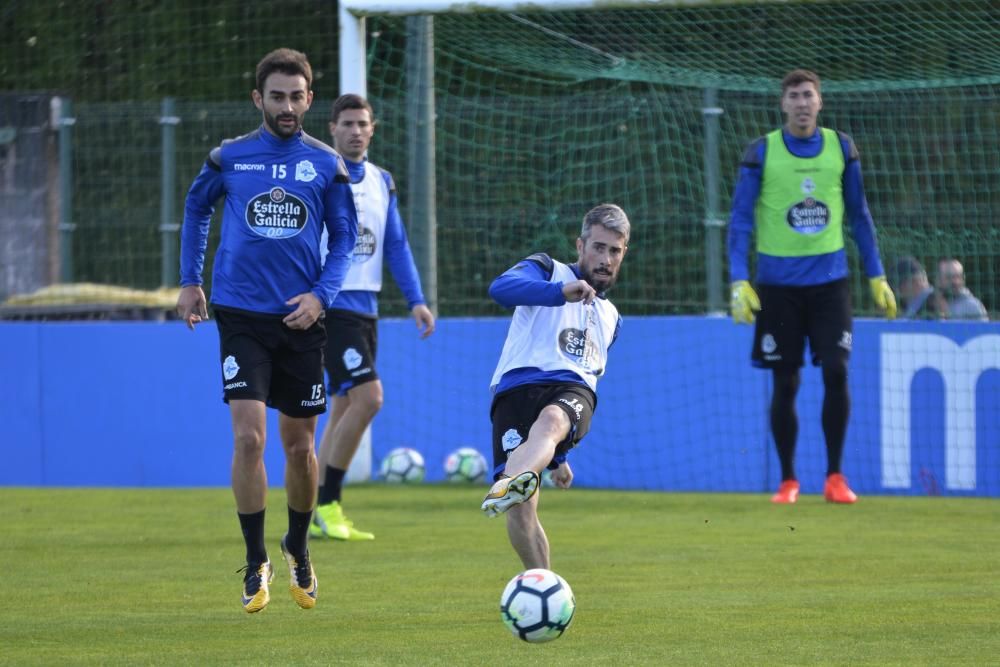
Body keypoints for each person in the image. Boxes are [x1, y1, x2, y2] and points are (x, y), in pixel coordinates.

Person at [176, 48, 358, 613]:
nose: (286, 106)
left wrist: (320, 296)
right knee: (249, 437)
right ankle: (256, 560)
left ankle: (297, 546)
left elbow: (345, 239)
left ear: (309, 99)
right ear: (259, 99)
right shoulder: (230, 157)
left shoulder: (327, 164)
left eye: (296, 96)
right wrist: (190, 280)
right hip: (240, 316)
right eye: (276, 96)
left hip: (301, 319)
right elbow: (196, 209)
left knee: (300, 448)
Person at [727, 68, 897, 505]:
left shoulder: (841, 148)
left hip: (830, 286)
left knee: (837, 370)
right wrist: (737, 278)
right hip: (777, 288)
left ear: (820, 101)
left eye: (809, 95)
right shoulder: (761, 151)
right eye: (795, 96)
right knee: (786, 382)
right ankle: (788, 480)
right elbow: (741, 219)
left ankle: (835, 477)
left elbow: (859, 216)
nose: (802, 103)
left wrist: (876, 274)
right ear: (783, 104)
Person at [310, 94, 436, 542]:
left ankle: (312, 507)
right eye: (347, 123)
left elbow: (396, 245)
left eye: (363, 123)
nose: (355, 131)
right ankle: (328, 502)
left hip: (367, 310)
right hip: (333, 306)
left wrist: (416, 300)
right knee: (370, 398)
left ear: (373, 128)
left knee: (345, 405)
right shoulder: (322, 174)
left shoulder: (382, 180)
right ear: (332, 129)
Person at [481, 203, 629, 569]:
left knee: (552, 420)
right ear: (580, 246)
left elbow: (587, 374)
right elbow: (500, 288)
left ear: (623, 254)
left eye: (614, 250)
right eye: (598, 247)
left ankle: (515, 478)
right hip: (516, 388)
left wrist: (557, 450)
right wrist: (560, 291)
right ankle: (543, 586)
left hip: (572, 392)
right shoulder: (548, 270)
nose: (605, 258)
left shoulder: (613, 319)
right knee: (520, 509)